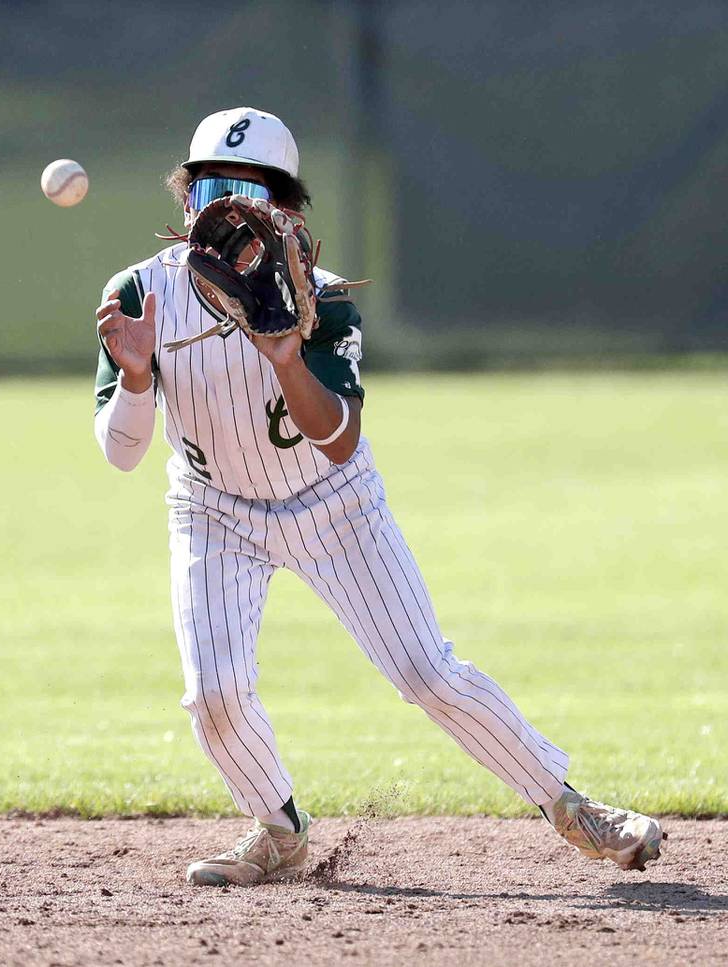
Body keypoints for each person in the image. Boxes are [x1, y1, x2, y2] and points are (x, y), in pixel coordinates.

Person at [93, 106, 665, 887]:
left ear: (283, 210)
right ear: (186, 200)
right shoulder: (140, 295)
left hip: (334, 504)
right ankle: (279, 830)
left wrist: (287, 356)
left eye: (248, 190)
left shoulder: (320, 299)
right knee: (213, 694)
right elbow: (122, 453)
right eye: (210, 186)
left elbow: (338, 440)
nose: (225, 206)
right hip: (214, 510)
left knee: (426, 671)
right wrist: (132, 375)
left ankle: (572, 807)